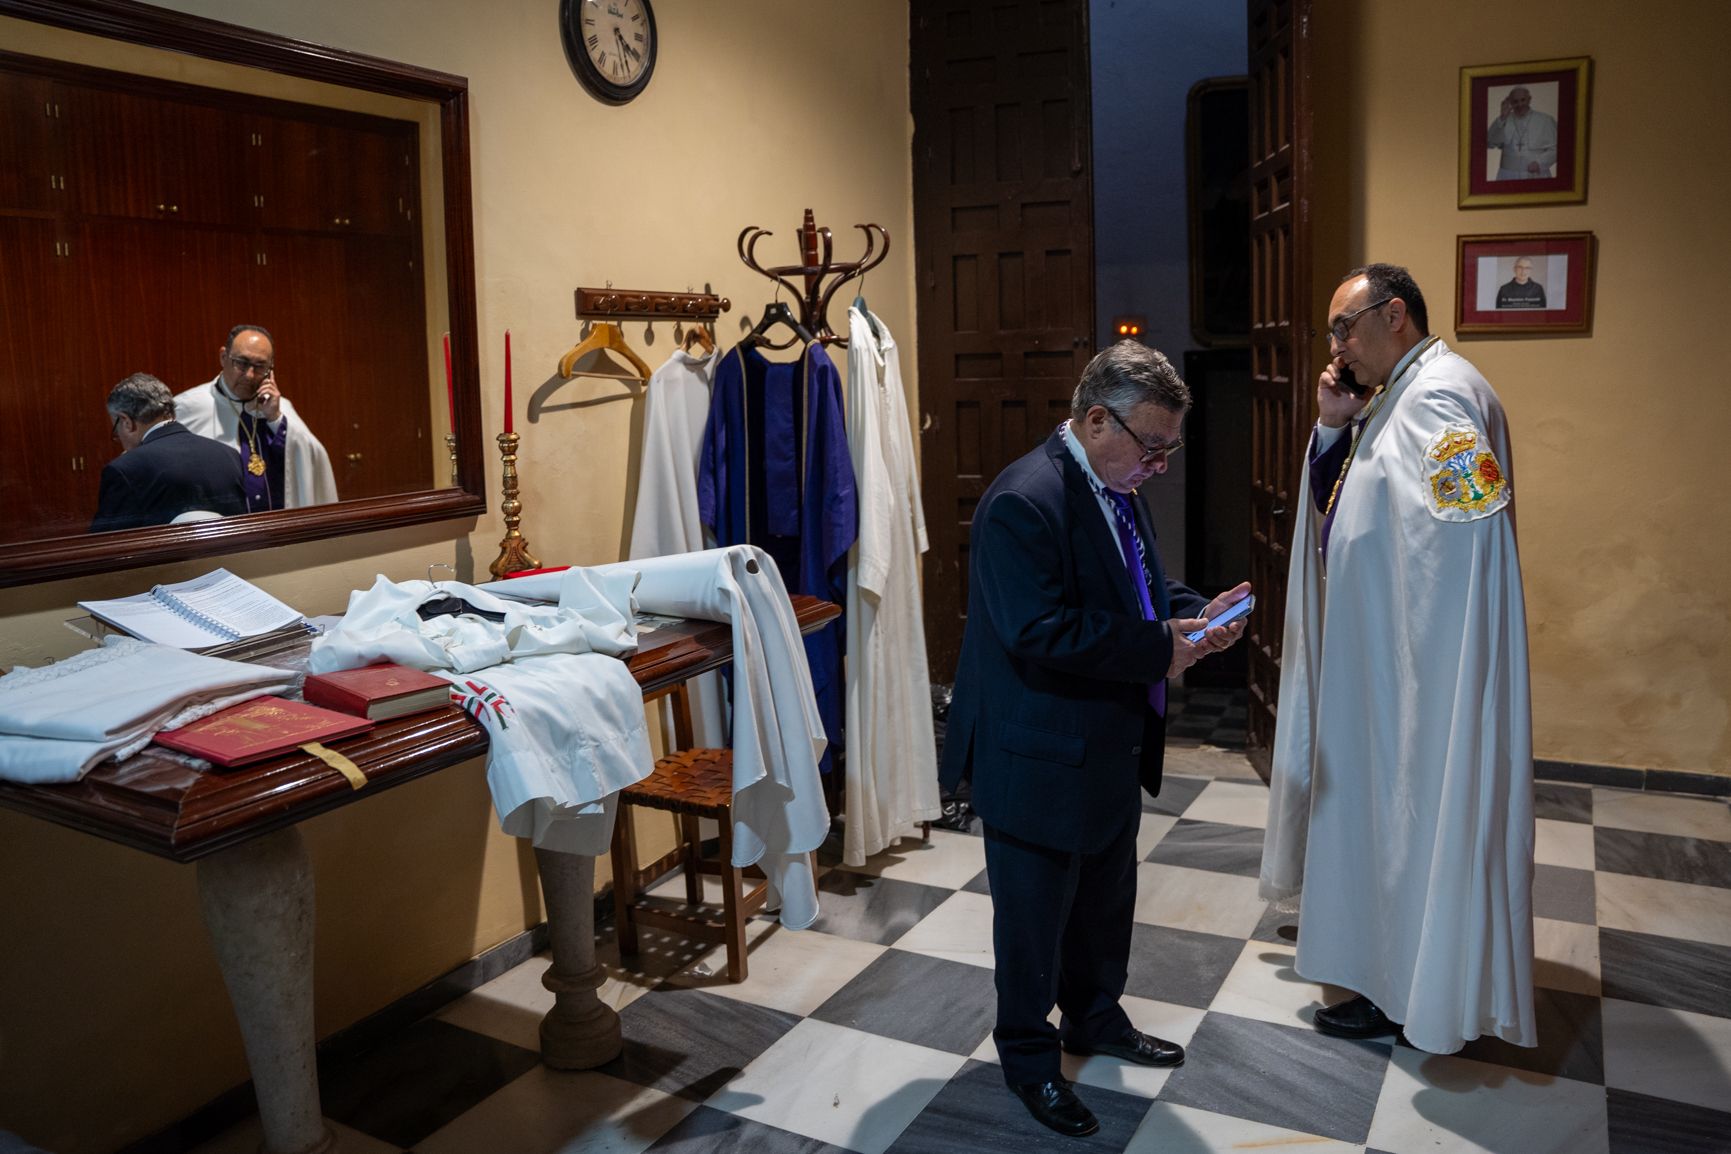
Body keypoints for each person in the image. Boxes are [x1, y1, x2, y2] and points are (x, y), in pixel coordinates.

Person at [940, 341, 1250, 1138]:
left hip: (1104, 741)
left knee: (1103, 903)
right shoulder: (1025, 499)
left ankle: (1094, 1019)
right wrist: (1159, 648)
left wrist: (1196, 610)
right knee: (1034, 922)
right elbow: (1037, 627)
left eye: (1169, 448)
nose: (1160, 465)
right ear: (1093, 418)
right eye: (1152, 446)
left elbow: (1135, 583)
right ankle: (1027, 1062)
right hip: (1035, 751)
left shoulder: (1113, 483)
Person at [1260, 263, 1534, 1057]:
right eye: (1332, 333)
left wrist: (1418, 659)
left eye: (1344, 328)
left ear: (1396, 317)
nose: (1338, 347)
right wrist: (1335, 425)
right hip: (1385, 664)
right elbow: (1352, 503)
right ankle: (1392, 972)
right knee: (1382, 824)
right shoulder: (1400, 395)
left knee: (1415, 819)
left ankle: (1416, 988)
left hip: (1412, 670)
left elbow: (1463, 543)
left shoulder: (1440, 397)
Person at [175, 324, 338, 512]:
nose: (249, 375)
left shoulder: (281, 408)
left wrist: (275, 420)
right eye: (242, 363)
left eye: (260, 366)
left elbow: (312, 461)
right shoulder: (187, 407)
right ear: (223, 357)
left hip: (275, 529)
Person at [90, 373, 247, 533]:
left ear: (126, 422)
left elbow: (106, 543)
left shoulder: (125, 469)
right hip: (231, 557)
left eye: (116, 432)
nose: (120, 439)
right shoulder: (229, 455)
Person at [1486, 86, 1557, 179]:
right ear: (1510, 102)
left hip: (1536, 174)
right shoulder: (1504, 120)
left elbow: (1557, 148)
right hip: (1507, 175)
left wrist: (1540, 163)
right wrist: (1502, 117)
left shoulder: (1545, 120)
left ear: (1529, 99)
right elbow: (1490, 143)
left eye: (1523, 100)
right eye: (1515, 101)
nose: (1519, 104)